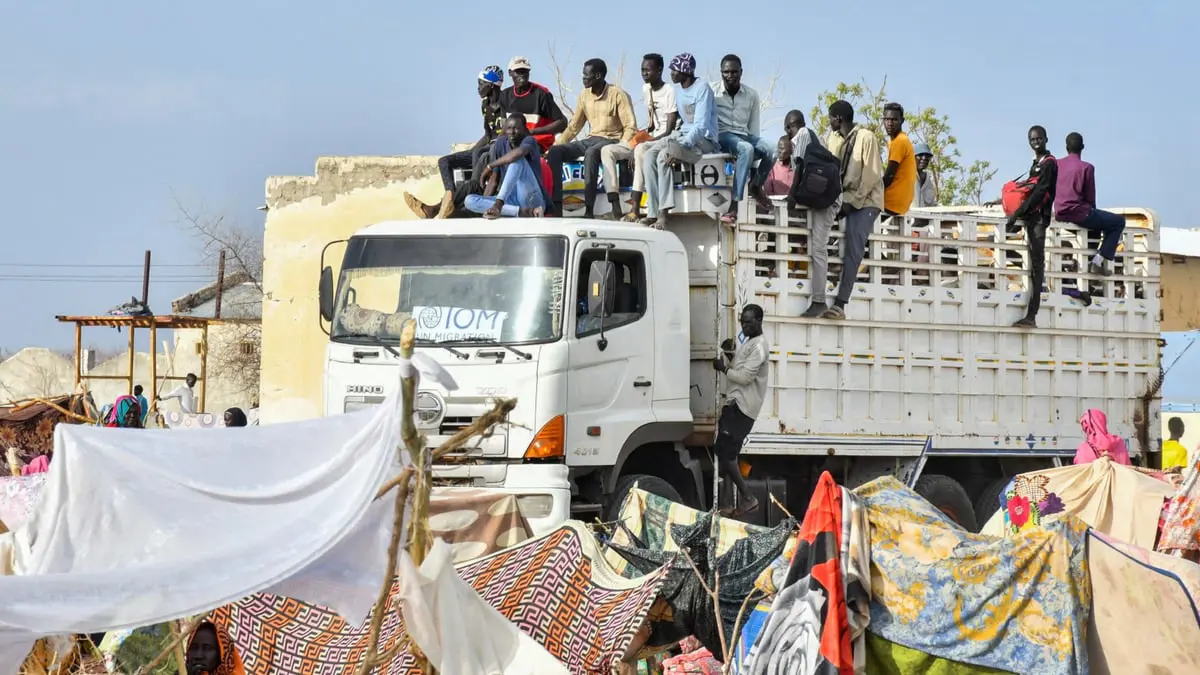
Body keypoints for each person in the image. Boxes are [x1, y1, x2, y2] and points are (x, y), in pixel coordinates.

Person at [405, 66, 507, 219]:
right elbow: (487, 134)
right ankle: (448, 202)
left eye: (481, 83)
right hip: (484, 148)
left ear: (491, 85)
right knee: (445, 161)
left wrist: (477, 155)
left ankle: (435, 208)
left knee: (476, 167)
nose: (478, 88)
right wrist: (470, 153)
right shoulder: (485, 106)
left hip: (496, 151)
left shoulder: (506, 104)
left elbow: (506, 136)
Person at [547, 58, 637, 218]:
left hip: (612, 139)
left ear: (598, 76)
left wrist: (624, 147)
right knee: (556, 152)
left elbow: (630, 126)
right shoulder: (584, 95)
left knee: (591, 153)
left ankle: (589, 209)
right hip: (591, 138)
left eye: (586, 75)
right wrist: (555, 144)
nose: (583, 78)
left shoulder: (617, 94)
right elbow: (574, 126)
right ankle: (556, 208)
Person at [641, 53, 719, 229]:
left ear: (685, 71)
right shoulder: (677, 90)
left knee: (663, 156)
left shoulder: (702, 89)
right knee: (649, 154)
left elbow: (700, 126)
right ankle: (652, 212)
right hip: (682, 134)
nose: (671, 74)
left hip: (704, 140)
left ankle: (664, 213)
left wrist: (679, 148)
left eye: (674, 70)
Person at [599, 54, 679, 221]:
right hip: (650, 136)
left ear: (659, 70)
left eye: (648, 70)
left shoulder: (669, 91)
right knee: (607, 151)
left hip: (663, 139)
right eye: (642, 70)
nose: (644, 73)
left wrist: (644, 142)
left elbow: (669, 130)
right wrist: (638, 138)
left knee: (641, 150)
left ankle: (635, 208)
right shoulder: (645, 89)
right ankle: (615, 207)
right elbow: (652, 123)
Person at [822, 100, 883, 320]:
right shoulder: (835, 139)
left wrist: (853, 202)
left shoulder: (866, 137)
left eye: (830, 118)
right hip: (844, 199)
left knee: (853, 247)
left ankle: (840, 304)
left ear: (838, 118)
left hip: (866, 201)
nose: (829, 122)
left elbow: (871, 175)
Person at [783, 109, 842, 318]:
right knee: (814, 245)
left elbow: (799, 166)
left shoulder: (802, 135)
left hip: (827, 202)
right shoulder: (810, 137)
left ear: (789, 128)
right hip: (822, 200)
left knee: (818, 248)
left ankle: (819, 301)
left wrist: (791, 195)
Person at [713, 304, 770, 516]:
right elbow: (739, 370)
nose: (744, 326)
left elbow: (745, 378)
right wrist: (730, 355)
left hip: (742, 408)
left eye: (748, 322)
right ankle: (727, 503)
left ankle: (747, 497)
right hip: (736, 405)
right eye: (742, 322)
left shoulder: (759, 347)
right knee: (728, 454)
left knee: (724, 453)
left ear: (759, 321)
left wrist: (724, 368)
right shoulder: (751, 344)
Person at [1005, 125, 1057, 328]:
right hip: (1030, 217)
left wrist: (1018, 212)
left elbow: (1039, 193)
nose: (1036, 142)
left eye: (1038, 139)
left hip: (1038, 220)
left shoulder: (1049, 164)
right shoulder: (1037, 163)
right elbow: (1028, 188)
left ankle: (1032, 315)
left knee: (1037, 266)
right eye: (1032, 140)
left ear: (1045, 139)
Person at [713, 55, 775, 224]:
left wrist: (755, 169)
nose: (730, 76)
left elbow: (754, 127)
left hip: (744, 135)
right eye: (726, 72)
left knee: (774, 149)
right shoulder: (712, 92)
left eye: (734, 72)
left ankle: (755, 185)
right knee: (746, 148)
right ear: (721, 73)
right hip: (723, 135)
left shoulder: (751, 95)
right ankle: (734, 205)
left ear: (741, 73)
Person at [1053, 132, 1125, 277]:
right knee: (1118, 222)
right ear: (1083, 147)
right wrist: (1094, 212)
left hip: (1059, 212)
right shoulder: (1087, 168)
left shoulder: (1057, 164)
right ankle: (1097, 262)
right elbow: (1090, 198)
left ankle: (1085, 262)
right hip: (1079, 213)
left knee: (1095, 231)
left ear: (1066, 147)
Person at [464, 114, 550, 219]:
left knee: (518, 161)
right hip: (511, 201)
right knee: (469, 200)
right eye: (509, 128)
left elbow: (518, 154)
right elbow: (494, 180)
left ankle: (500, 207)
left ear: (524, 129)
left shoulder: (529, 141)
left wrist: (490, 166)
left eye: (516, 129)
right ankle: (520, 212)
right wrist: (485, 204)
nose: (511, 132)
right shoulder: (500, 144)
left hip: (532, 199)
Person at [499, 56, 568, 153]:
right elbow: (505, 128)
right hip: (514, 143)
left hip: (538, 143)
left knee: (517, 151)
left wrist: (532, 132)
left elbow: (562, 123)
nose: (522, 75)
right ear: (510, 73)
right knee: (488, 152)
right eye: (518, 71)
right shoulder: (504, 96)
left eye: (525, 71)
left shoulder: (541, 94)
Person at [881, 102, 917, 217]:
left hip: (891, 203)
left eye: (894, 120)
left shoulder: (900, 141)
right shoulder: (899, 140)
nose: (889, 124)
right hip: (900, 204)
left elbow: (889, 176)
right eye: (886, 119)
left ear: (902, 120)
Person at [913, 142, 936, 207]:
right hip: (905, 216)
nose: (924, 158)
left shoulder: (928, 180)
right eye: (920, 155)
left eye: (927, 156)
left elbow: (932, 204)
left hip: (923, 216)